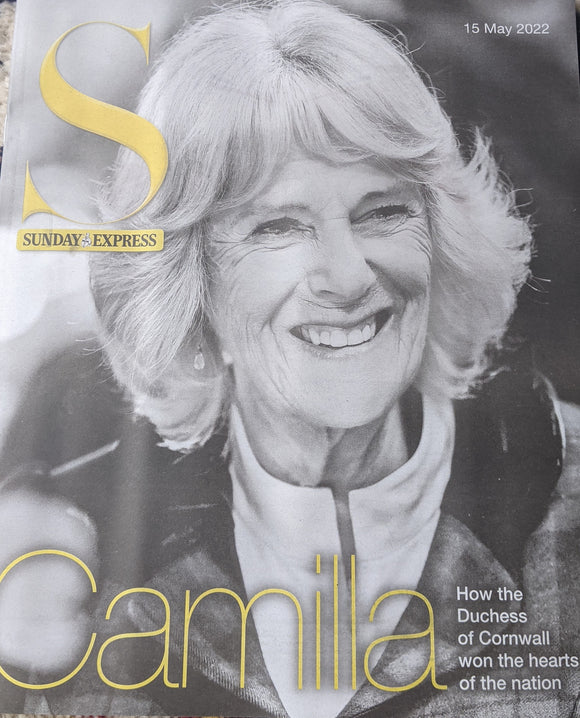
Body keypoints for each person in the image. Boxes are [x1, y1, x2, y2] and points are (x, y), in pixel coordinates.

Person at [0, 1, 579, 716]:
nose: (347, 277)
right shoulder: (81, 563)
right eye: (278, 227)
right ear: (190, 283)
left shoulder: (563, 500)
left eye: (383, 212)